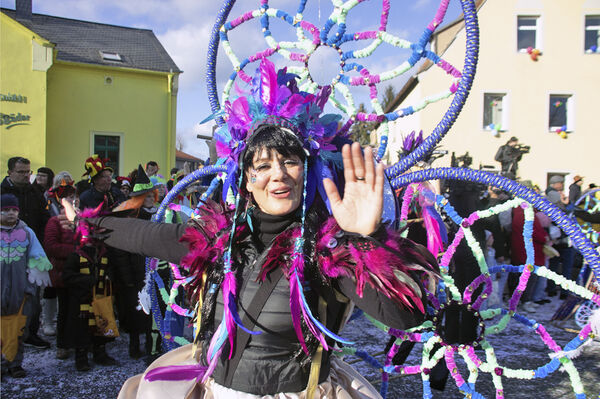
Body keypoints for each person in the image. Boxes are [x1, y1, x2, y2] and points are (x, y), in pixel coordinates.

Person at [64, 59, 439, 398]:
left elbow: (406, 317)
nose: (278, 175)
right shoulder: (218, 239)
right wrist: (87, 223)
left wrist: (365, 242)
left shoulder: (328, 250)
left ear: (307, 171)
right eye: (262, 165)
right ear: (245, 179)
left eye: (290, 161)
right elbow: (145, 236)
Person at [1, 157, 51, 349]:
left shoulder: (35, 191)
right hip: (7, 254)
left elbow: (44, 217)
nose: (26, 175)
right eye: (21, 172)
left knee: (32, 294)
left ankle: (30, 332)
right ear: (10, 173)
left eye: (28, 172)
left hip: (31, 248)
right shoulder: (2, 192)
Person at [1, 194, 52, 378]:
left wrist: (39, 269)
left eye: (14, 210)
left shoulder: (26, 232)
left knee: (18, 328)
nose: (10, 214)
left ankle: (15, 364)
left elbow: (36, 254)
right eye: (5, 210)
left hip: (20, 291)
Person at [43, 181, 78, 358]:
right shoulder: (54, 221)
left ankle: (78, 343)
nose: (73, 200)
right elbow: (51, 246)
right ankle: (63, 344)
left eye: (74, 197)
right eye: (69, 197)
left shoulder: (81, 219)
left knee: (78, 309)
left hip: (81, 272)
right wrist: (76, 252)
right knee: (65, 309)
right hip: (63, 272)